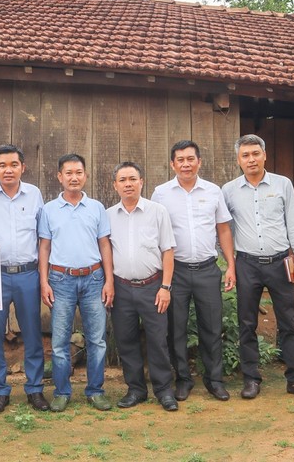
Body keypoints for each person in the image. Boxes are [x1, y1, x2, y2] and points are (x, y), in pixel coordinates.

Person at [222, 134, 294, 400]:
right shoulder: (229, 190)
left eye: (255, 153)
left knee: (289, 322)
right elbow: (224, 230)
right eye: (245, 155)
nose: (251, 159)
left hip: (281, 263)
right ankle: (252, 379)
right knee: (246, 323)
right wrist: (230, 264)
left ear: (264, 155)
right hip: (247, 264)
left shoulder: (282, 184)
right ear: (238, 160)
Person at [151, 140, 235, 402]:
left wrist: (230, 265)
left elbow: (223, 229)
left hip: (208, 270)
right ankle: (184, 380)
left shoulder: (213, 191)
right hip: (175, 273)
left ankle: (214, 380)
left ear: (199, 161)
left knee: (211, 327)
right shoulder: (161, 193)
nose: (185, 164)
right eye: (180, 160)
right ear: (172, 164)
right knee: (175, 329)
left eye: (190, 159)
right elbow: (154, 232)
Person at [0, 144, 49, 414]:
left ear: (22, 167)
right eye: (2, 165)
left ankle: (35, 389)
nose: (8, 170)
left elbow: (43, 237)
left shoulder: (34, 194)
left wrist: (43, 276)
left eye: (14, 164)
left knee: (32, 333)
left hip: (28, 273)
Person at [38, 154, 114, 412]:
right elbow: (44, 247)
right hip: (60, 280)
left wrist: (109, 281)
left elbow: (104, 244)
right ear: (60, 177)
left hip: (94, 279)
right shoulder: (48, 210)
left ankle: (96, 390)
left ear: (85, 175)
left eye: (78, 172)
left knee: (97, 339)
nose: (74, 177)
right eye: (68, 172)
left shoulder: (97, 208)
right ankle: (61, 392)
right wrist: (44, 282)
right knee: (59, 341)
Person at [107, 162, 179, 412]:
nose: (128, 184)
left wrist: (165, 287)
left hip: (153, 287)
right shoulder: (108, 216)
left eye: (132, 179)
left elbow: (168, 250)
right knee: (126, 341)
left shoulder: (157, 211)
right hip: (121, 288)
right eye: (122, 180)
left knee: (158, 340)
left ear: (141, 182)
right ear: (115, 185)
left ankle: (163, 390)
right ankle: (136, 389)